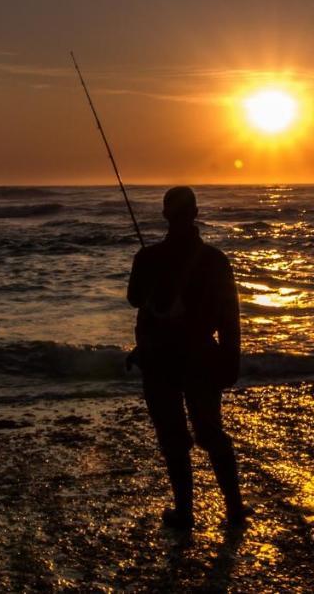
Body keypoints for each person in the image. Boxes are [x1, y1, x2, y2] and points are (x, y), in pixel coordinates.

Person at [126, 186, 250, 530]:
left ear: (165, 215)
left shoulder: (147, 258)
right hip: (201, 357)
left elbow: (134, 299)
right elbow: (230, 316)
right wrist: (230, 360)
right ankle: (234, 511)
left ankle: (184, 513)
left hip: (160, 359)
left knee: (173, 437)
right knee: (210, 432)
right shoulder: (215, 260)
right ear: (195, 213)